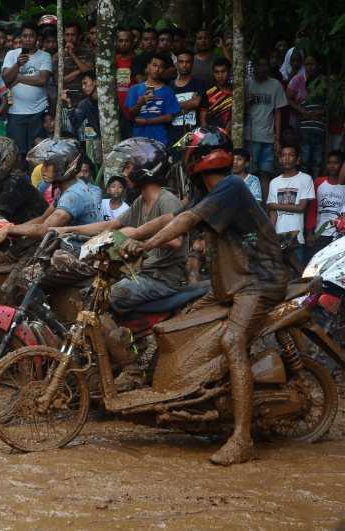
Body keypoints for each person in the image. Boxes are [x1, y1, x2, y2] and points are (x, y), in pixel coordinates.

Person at [120, 126, 289, 465]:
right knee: (184, 326)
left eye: (190, 155)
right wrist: (135, 236)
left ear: (198, 159)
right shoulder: (212, 193)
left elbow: (185, 222)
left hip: (258, 282)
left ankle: (242, 439)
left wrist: (144, 245)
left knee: (232, 341)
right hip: (231, 284)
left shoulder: (232, 186)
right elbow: (177, 216)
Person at [57, 137, 185, 319]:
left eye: (128, 167)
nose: (124, 173)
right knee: (91, 286)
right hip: (143, 271)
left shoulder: (167, 201)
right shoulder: (140, 201)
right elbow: (110, 225)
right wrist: (70, 230)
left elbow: (177, 241)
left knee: (107, 296)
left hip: (164, 278)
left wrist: (135, 239)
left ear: (144, 168)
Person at [0, 138, 101, 249]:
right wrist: (10, 229)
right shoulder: (66, 188)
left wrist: (9, 229)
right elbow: (43, 219)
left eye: (48, 165)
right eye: (44, 164)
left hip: (84, 249)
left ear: (63, 166)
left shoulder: (73, 195)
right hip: (72, 243)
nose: (43, 169)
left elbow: (44, 229)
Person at [2, 23, 52, 160]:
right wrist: (18, 64)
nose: (28, 39)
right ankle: (20, 180)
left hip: (39, 111)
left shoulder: (45, 56)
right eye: (25, 36)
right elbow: (6, 78)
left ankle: (36, 181)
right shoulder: (12, 54)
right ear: (21, 38)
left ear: (37, 38)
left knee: (39, 153)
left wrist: (18, 78)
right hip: (16, 112)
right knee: (17, 153)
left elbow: (42, 80)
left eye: (32, 36)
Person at [267, 144, 314, 262]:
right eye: (283, 155)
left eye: (291, 155)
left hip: (296, 237)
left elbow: (301, 207)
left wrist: (275, 205)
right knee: (280, 275)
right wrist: (270, 236)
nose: (287, 158)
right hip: (279, 237)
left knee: (297, 275)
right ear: (279, 159)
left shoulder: (305, 179)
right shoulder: (274, 182)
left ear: (298, 159)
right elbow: (273, 214)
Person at [246, 55, 287, 178]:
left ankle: (264, 198)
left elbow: (278, 112)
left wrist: (277, 139)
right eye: (259, 65)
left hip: (269, 138)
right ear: (254, 67)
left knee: (266, 174)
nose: (262, 68)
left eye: (265, 65)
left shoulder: (275, 85)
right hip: (250, 136)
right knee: (250, 174)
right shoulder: (247, 84)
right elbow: (238, 110)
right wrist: (247, 102)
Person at [125, 53, 180, 145]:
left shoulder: (168, 91)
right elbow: (130, 114)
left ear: (164, 70)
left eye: (161, 67)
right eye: (154, 65)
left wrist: (147, 121)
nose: (157, 69)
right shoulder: (135, 89)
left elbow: (169, 117)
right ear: (148, 66)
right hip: (138, 138)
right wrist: (141, 103)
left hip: (160, 138)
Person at [287, 54, 327, 177]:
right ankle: (305, 185)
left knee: (317, 161)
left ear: (318, 65)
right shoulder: (297, 79)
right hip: (303, 127)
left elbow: (330, 102)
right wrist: (301, 110)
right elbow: (288, 98)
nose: (310, 67)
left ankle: (315, 186)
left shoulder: (324, 82)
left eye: (312, 64)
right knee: (304, 159)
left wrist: (321, 112)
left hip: (319, 128)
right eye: (307, 64)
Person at [305, 150, 344, 255]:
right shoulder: (319, 182)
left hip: (339, 235)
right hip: (319, 234)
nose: (332, 166)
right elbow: (312, 209)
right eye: (329, 162)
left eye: (336, 163)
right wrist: (309, 232)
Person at [169, 49, 205, 146]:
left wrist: (174, 105)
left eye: (187, 62)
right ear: (176, 64)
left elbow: (196, 104)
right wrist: (189, 103)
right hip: (172, 133)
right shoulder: (170, 86)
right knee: (175, 158)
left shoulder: (198, 83)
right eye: (181, 62)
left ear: (192, 64)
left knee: (189, 160)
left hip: (192, 133)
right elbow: (166, 109)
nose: (184, 65)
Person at [200, 58, 233, 135]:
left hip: (232, 136)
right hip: (212, 136)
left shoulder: (236, 92)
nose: (220, 75)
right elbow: (202, 118)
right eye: (217, 72)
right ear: (213, 73)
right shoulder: (209, 92)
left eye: (223, 71)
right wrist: (207, 135)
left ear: (229, 72)